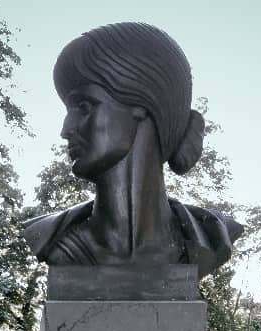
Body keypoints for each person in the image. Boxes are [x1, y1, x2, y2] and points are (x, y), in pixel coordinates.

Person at [23, 22, 243, 280]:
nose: (66, 129)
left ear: (142, 106)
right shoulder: (53, 240)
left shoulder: (210, 236)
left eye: (83, 106)